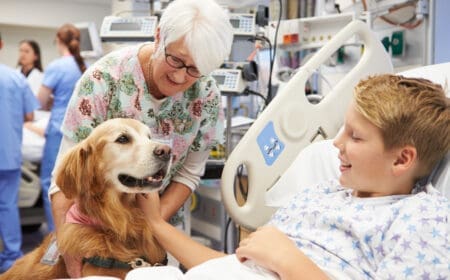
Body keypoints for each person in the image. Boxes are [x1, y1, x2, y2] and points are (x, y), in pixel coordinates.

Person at [132, 74, 450, 279]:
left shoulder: (421, 220)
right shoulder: (321, 195)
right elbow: (238, 265)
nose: (336, 143)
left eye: (355, 137)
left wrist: (288, 260)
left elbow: (274, 259)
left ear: (403, 159)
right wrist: (156, 224)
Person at [48, 0, 233, 277]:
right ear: (159, 36)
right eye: (176, 60)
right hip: (94, 229)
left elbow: (189, 174)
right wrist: (72, 255)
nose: (181, 76)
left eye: (195, 70)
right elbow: (65, 179)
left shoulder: (206, 95)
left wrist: (151, 224)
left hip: (159, 229)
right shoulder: (102, 80)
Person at [37, 23, 86, 233]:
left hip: (59, 130)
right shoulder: (84, 66)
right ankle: (74, 234)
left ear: (59, 41)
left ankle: (56, 239)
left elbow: (40, 100)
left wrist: (52, 102)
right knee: (76, 187)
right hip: (82, 132)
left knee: (53, 185)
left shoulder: (57, 66)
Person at [0, 32, 40, 273]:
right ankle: (11, 256)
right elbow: (29, 116)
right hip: (8, 154)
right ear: (2, 45)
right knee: (7, 205)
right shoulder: (16, 79)